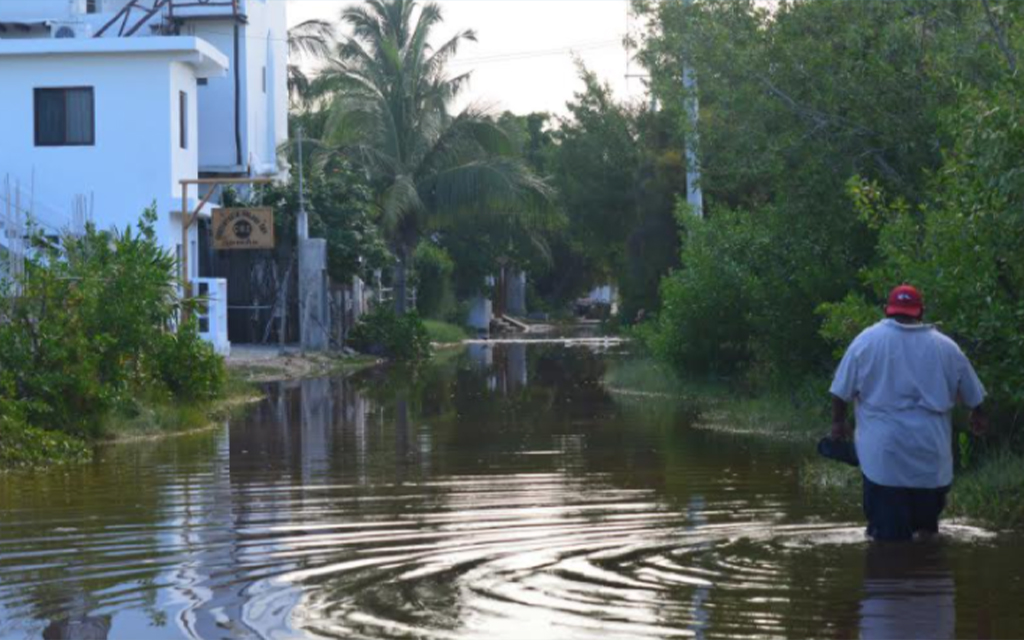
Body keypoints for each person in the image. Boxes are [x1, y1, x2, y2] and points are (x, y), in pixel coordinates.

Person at [829, 284, 988, 541]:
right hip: (930, 458)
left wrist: (838, 423)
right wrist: (977, 415)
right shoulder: (946, 347)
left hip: (884, 461)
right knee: (927, 535)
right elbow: (975, 396)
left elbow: (839, 391)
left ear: (886, 310)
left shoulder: (866, 341)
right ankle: (928, 574)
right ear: (921, 312)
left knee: (885, 541)